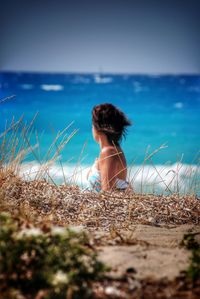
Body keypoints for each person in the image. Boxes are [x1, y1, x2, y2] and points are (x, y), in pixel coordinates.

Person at [86, 103, 131, 192]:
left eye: (92, 125)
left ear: (98, 128)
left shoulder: (109, 152)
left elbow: (107, 193)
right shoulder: (113, 150)